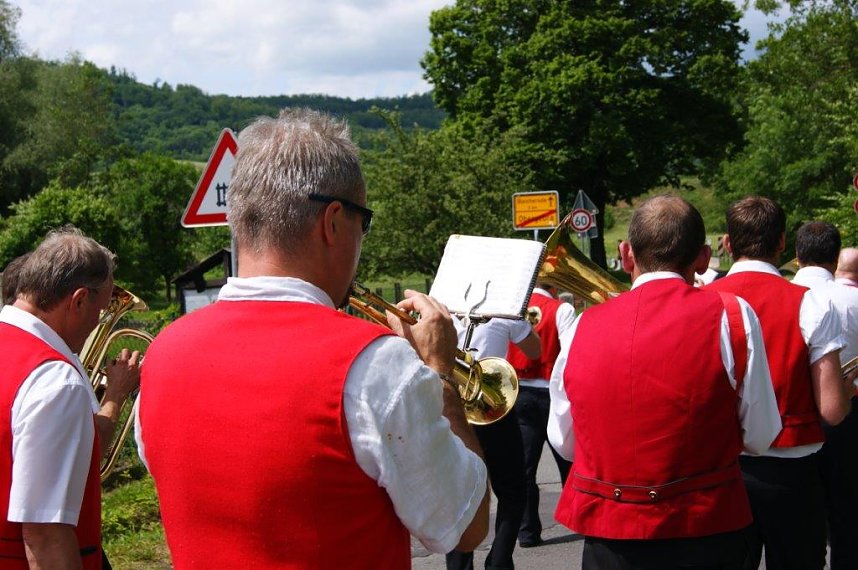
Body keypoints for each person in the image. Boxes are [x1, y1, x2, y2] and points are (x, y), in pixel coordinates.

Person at [136, 108, 490, 569]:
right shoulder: (378, 365)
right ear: (334, 222)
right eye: (364, 224)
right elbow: (466, 526)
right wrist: (439, 373)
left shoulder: (161, 352)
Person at [549, 195, 781, 570]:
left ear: (626, 254)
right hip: (708, 528)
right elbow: (760, 434)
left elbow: (565, 441)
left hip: (611, 536)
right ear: (704, 258)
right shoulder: (733, 314)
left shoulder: (581, 326)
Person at [706, 197, 853, 570]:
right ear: (783, 242)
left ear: (727, 243)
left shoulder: (699, 301)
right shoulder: (811, 302)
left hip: (720, 470)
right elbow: (833, 411)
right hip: (791, 470)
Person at [0, 227, 140, 570]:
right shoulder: (56, 381)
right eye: (100, 310)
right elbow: (46, 535)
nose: (96, 323)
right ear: (78, 300)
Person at [446, 316, 539, 570]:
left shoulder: (438, 303)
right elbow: (535, 350)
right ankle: (499, 562)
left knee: (459, 495)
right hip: (491, 408)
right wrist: (522, 325)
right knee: (513, 491)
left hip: (452, 407)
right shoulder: (503, 309)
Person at [792, 221, 858, 570]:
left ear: (797, 256)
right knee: (846, 511)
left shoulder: (782, 293)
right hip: (846, 413)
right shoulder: (852, 297)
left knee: (798, 522)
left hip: (787, 418)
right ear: (834, 258)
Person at [505, 281, 575, 549]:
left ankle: (528, 533)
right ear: (556, 283)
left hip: (519, 394)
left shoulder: (513, 307)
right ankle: (580, 518)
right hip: (552, 393)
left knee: (525, 468)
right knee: (570, 460)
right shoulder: (562, 309)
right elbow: (570, 352)